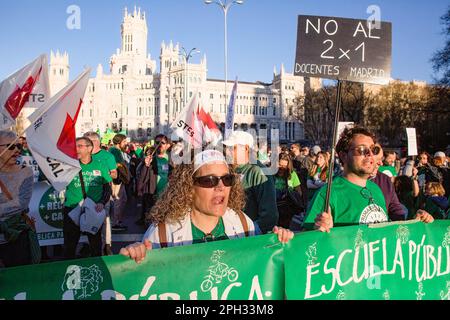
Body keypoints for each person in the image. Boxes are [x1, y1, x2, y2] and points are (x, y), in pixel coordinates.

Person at [120, 149, 293, 263]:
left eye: (227, 179)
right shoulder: (163, 234)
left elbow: (262, 265)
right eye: (208, 180)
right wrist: (134, 258)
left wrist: (280, 241)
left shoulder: (243, 223)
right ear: (189, 188)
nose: (220, 187)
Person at [303, 126, 433, 232]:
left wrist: (416, 221)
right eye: (361, 150)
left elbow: (387, 231)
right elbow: (306, 244)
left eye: (373, 149)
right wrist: (318, 230)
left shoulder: (376, 189)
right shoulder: (327, 194)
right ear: (343, 156)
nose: (370, 154)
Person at [63, 137, 112, 259]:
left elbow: (107, 188)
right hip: (72, 208)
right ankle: (68, 270)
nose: (76, 149)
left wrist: (101, 202)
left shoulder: (100, 165)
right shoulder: (69, 165)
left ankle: (97, 270)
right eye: (75, 146)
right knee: (70, 245)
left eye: (80, 146)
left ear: (89, 148)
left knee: (95, 245)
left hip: (93, 209)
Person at [222, 131, 278, 234]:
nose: (227, 152)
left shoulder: (259, 171)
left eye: (232, 148)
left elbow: (269, 215)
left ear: (246, 149)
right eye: (226, 148)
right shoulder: (227, 169)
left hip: (247, 237)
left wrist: (249, 233)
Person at [0, 130, 40, 267]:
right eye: (11, 146)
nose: (16, 150)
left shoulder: (25, 172)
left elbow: (21, 203)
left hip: (17, 234)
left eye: (19, 146)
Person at [83, 131, 117, 255]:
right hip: (86, 195)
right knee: (86, 220)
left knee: (104, 220)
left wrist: (103, 173)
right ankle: (89, 246)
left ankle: (106, 245)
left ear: (94, 142)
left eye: (85, 143)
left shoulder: (107, 156)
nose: (82, 146)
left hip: (103, 194)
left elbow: (114, 173)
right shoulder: (82, 156)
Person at [370, 143, 411, 221]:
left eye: (381, 159)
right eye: (377, 159)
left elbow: (396, 209)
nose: (380, 163)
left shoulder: (385, 180)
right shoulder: (341, 187)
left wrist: (409, 223)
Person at [274, 153, 303, 228]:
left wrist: (290, 194)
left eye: (284, 166)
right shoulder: (271, 174)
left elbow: (299, 191)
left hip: (287, 208)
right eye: (280, 165)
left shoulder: (292, 174)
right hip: (274, 207)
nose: (281, 169)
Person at [108, 134, 129, 231]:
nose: (126, 143)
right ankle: (114, 223)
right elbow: (115, 165)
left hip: (120, 179)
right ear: (119, 142)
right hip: (116, 180)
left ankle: (117, 220)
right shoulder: (115, 151)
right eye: (124, 141)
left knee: (123, 199)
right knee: (117, 200)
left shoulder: (117, 150)